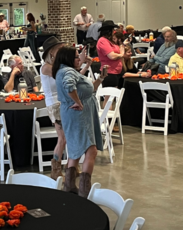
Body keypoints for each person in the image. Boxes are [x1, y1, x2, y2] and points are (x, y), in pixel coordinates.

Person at [53, 46, 103, 197]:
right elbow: (69, 86)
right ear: (67, 58)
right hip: (77, 115)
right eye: (76, 57)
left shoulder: (66, 70)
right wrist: (78, 102)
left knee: (75, 150)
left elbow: (87, 89)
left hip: (78, 114)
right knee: (91, 150)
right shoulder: (67, 71)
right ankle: (84, 190)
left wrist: (101, 78)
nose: (79, 59)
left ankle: (69, 185)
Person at [39, 37, 68, 180]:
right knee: (62, 138)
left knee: (68, 137)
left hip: (63, 102)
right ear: (51, 53)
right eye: (59, 49)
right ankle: (55, 169)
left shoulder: (59, 65)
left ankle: (71, 165)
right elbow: (63, 75)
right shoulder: (46, 67)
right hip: (55, 105)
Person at [96, 21, 126, 88]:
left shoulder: (109, 41)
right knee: (110, 96)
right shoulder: (102, 41)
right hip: (109, 72)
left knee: (117, 94)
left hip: (117, 71)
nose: (114, 32)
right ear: (109, 31)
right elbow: (112, 56)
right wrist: (121, 54)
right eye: (113, 30)